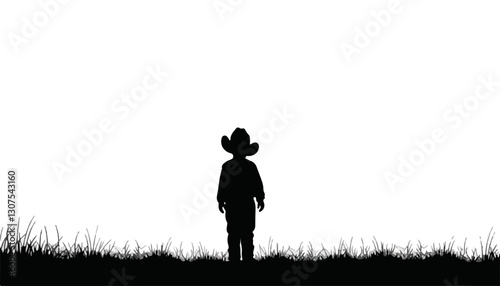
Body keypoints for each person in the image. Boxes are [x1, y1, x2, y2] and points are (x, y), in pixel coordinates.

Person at [217, 127, 265, 262]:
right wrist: (260, 198)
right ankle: (244, 259)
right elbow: (257, 184)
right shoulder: (250, 167)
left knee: (236, 233)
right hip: (243, 204)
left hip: (235, 204)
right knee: (243, 233)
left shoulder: (228, 166)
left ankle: (238, 259)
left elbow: (223, 185)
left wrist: (221, 200)